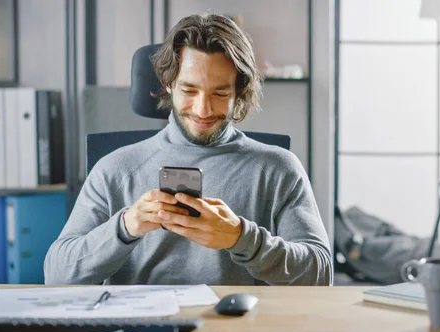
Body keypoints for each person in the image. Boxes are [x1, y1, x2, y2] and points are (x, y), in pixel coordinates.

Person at [44, 13, 333, 286]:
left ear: (239, 90)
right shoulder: (115, 168)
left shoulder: (278, 168)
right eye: (189, 90)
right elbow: (56, 275)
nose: (203, 110)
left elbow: (321, 275)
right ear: (168, 84)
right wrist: (125, 227)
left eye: (220, 93)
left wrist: (240, 238)